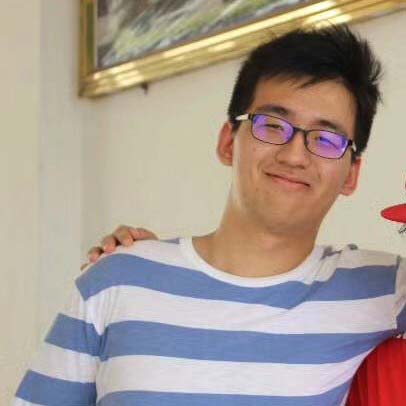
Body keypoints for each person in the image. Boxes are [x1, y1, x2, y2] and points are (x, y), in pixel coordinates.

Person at [14, 25, 405, 405]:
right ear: (227, 142)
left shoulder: (380, 289)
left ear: (351, 175)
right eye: (272, 125)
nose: (294, 155)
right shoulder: (116, 279)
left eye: (326, 139)